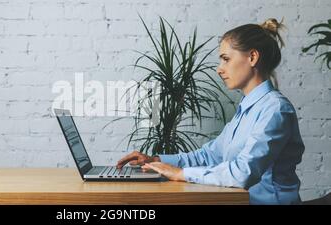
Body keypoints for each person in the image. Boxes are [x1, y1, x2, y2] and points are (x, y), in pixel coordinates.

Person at [116, 18, 305, 205]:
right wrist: (155, 160)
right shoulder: (247, 108)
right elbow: (210, 155)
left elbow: (243, 173)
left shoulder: (275, 110)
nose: (219, 69)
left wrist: (180, 174)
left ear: (252, 57)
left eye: (226, 59)